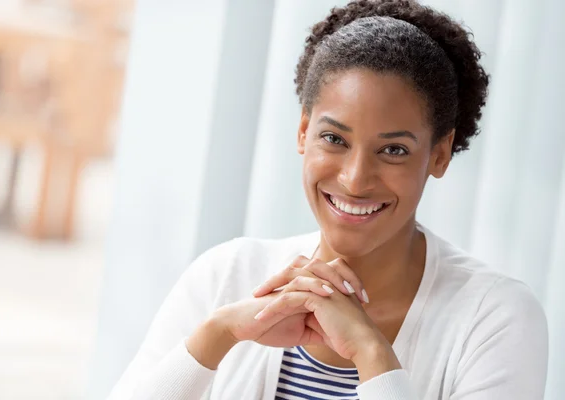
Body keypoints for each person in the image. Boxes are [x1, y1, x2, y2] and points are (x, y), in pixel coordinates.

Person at [107, 1, 548, 399]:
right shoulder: (227, 277)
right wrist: (218, 335)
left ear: (439, 153)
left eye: (393, 150)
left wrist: (372, 354)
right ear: (303, 132)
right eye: (334, 138)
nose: (355, 180)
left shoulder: (495, 318)